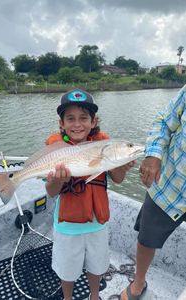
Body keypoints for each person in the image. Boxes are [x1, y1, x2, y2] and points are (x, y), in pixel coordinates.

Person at [45, 88, 135, 300]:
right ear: (62, 124)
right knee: (67, 270)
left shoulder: (105, 147)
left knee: (97, 266)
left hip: (97, 224)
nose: (77, 124)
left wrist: (123, 166)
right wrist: (58, 180)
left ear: (93, 122)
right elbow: (51, 192)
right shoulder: (56, 150)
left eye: (84, 118)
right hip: (67, 226)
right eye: (70, 118)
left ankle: (94, 295)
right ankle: (67, 298)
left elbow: (118, 179)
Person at [121, 85, 186, 300]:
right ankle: (139, 281)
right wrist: (153, 155)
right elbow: (164, 121)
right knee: (147, 237)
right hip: (169, 183)